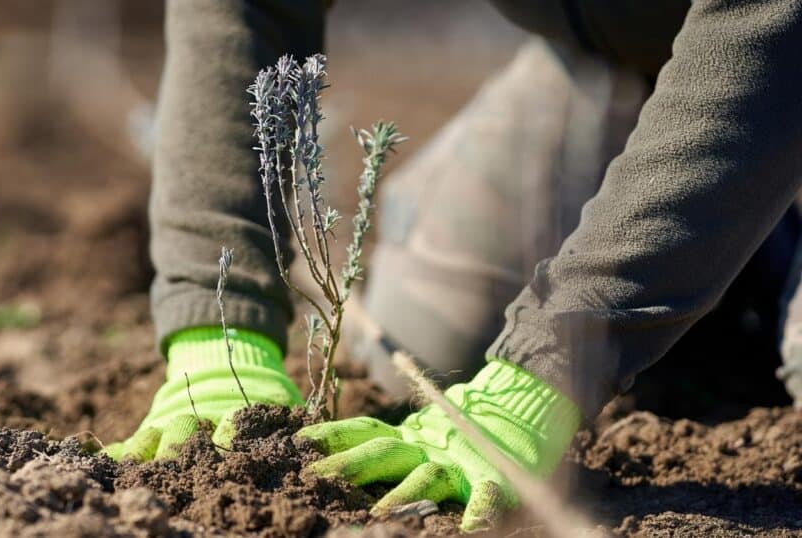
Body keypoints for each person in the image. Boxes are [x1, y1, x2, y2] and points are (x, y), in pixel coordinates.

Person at [105, 0, 802, 531]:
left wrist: (541, 373)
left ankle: (738, 238)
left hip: (772, 37)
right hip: (621, 63)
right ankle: (728, 251)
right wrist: (219, 330)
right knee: (427, 342)